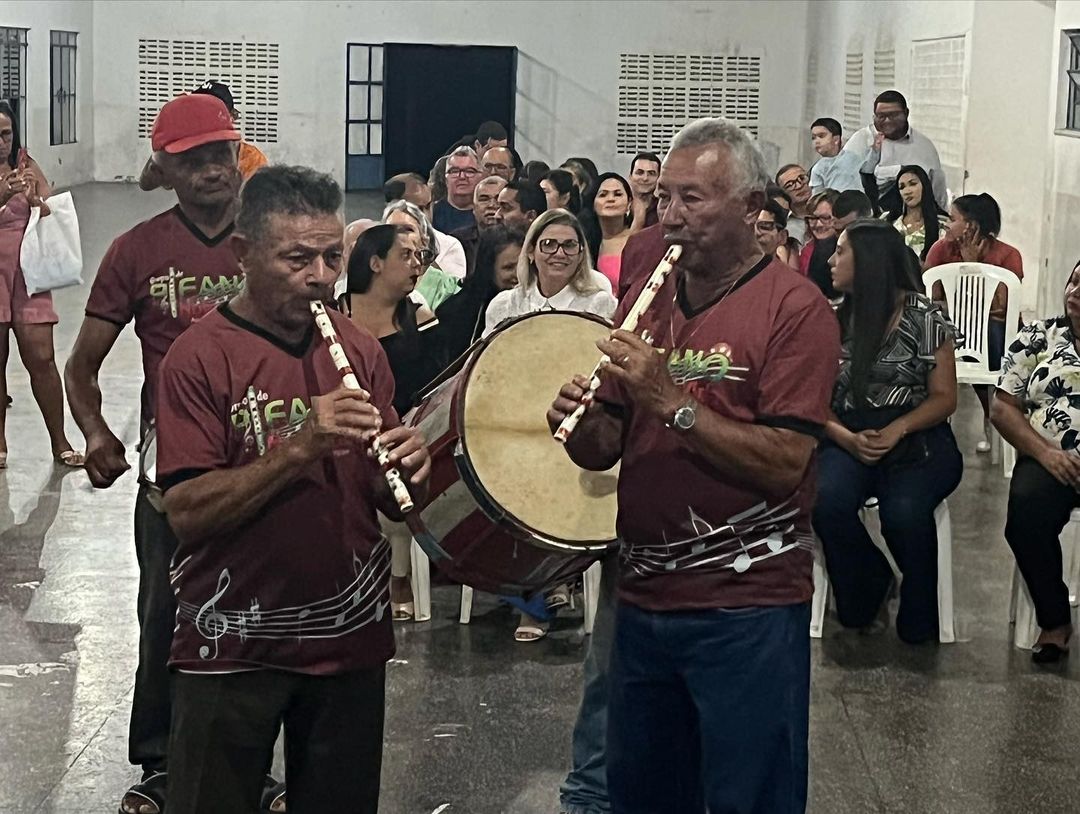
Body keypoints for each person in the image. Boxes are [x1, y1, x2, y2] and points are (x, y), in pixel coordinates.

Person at [549, 117, 839, 814]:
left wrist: (672, 401)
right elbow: (607, 443)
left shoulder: (796, 310)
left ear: (750, 208)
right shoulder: (645, 293)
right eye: (665, 199)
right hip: (644, 598)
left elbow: (785, 462)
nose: (668, 217)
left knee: (748, 796)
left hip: (747, 605)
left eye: (692, 201)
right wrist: (579, 423)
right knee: (644, 794)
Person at [156, 166, 430, 813]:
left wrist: (413, 465)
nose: (320, 277)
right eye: (297, 258)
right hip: (231, 644)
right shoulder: (198, 357)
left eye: (332, 257)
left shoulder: (360, 352)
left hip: (347, 642)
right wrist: (302, 444)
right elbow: (187, 512)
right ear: (244, 254)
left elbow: (388, 497)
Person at [62, 93, 277, 814]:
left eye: (223, 153)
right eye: (195, 160)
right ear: (168, 169)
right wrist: (95, 433)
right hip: (173, 470)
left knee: (257, 618)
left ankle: (253, 764)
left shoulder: (268, 243)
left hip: (264, 462)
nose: (214, 170)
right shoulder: (138, 251)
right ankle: (158, 762)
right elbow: (81, 364)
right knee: (165, 614)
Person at [812, 219, 961, 644]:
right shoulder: (832, 318)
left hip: (916, 433)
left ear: (870, 261)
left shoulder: (925, 316)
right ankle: (868, 586)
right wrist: (844, 437)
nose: (831, 259)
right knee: (826, 499)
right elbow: (812, 400)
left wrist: (897, 428)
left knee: (904, 512)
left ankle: (919, 616)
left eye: (841, 251)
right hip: (847, 432)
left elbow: (944, 397)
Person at [486, 208, 615, 642]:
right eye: (549, 245)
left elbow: (602, 370)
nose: (559, 253)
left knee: (548, 472)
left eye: (569, 245)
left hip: (576, 416)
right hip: (513, 418)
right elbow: (487, 369)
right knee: (496, 477)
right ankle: (543, 588)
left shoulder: (599, 300)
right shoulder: (505, 303)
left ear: (582, 254)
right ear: (533, 252)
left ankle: (542, 593)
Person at [992, 260, 1080, 663]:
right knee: (1026, 512)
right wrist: (1045, 453)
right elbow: (1003, 408)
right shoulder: (1039, 336)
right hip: (1050, 458)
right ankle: (1055, 619)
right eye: (1074, 281)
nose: (1075, 292)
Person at [0, 100, 83, 469]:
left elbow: (50, 207)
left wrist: (36, 200)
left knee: (42, 359)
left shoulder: (25, 164)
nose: (1, 141)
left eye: (5, 133)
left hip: (28, 272)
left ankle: (60, 442)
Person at [925, 192, 1023, 453]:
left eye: (952, 218)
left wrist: (971, 265)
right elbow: (930, 301)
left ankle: (995, 412)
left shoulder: (1007, 255)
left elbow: (1000, 310)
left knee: (989, 331)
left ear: (972, 225)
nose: (946, 223)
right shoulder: (940, 249)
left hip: (997, 336)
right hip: (955, 331)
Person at [139, 81, 267, 191]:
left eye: (212, 111)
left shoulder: (250, 158)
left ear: (231, 117)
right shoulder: (182, 151)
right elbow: (147, 183)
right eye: (196, 110)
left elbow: (257, 202)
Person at [433, 224, 525, 365]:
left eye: (522, 266)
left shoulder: (535, 302)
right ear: (488, 268)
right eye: (508, 268)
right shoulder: (456, 311)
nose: (518, 274)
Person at [842, 89, 947, 212]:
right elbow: (843, 182)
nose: (887, 121)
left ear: (906, 113)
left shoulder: (924, 147)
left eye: (893, 115)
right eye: (881, 116)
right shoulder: (860, 141)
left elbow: (937, 191)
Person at [384, 171, 465, 280]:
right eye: (417, 209)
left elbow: (452, 291)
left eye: (428, 206)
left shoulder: (449, 247)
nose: (425, 216)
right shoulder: (371, 244)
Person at [383, 199, 461, 311]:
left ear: (424, 240)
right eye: (391, 230)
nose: (399, 236)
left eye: (408, 229)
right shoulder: (372, 284)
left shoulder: (448, 289)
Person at [884, 164, 947, 263]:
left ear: (924, 186)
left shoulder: (943, 225)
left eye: (913, 184)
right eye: (902, 187)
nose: (907, 191)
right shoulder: (887, 221)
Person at [582, 172, 636, 290]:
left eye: (617, 194)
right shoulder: (584, 242)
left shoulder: (638, 241)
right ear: (593, 204)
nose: (610, 199)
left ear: (629, 203)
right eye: (603, 195)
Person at [451, 175, 507, 275]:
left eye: (498, 199)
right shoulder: (457, 241)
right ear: (473, 208)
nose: (492, 205)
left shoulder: (521, 239)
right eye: (484, 199)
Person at [799, 189, 840, 300]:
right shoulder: (806, 253)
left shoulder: (853, 248)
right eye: (812, 218)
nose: (818, 224)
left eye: (825, 218)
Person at [808, 117, 866, 194]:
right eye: (813, 138)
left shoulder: (852, 157)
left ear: (836, 139)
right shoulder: (817, 169)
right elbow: (817, 196)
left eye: (821, 136)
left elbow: (868, 171)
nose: (816, 141)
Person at [432, 146, 481, 233]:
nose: (462, 177)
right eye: (454, 171)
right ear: (445, 178)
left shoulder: (486, 214)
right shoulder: (431, 213)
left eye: (469, 171)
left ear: (480, 177)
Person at [756, 199, 797, 269]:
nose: (755, 232)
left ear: (782, 236)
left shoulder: (790, 278)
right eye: (745, 227)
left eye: (764, 225)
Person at [776, 163, 811, 243]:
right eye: (790, 185)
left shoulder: (830, 210)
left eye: (802, 179)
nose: (799, 186)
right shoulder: (784, 227)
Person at [628, 151, 661, 228]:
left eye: (651, 173)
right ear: (630, 177)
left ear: (659, 178)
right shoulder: (619, 206)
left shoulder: (664, 209)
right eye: (640, 173)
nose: (645, 178)